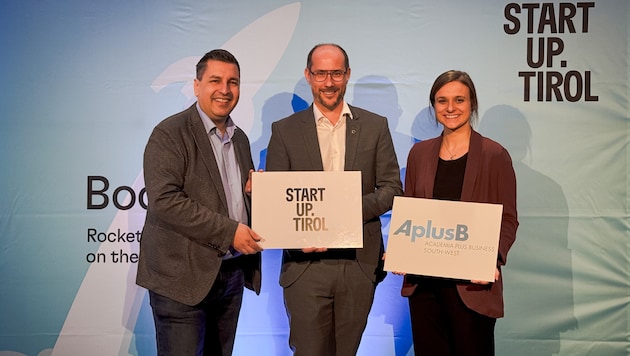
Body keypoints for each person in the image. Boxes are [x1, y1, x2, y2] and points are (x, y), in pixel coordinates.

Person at [265, 43, 403, 356]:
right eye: (321, 73)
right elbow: (276, 201)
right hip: (305, 265)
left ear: (347, 75)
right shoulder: (284, 131)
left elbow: (392, 189)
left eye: (336, 73)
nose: (329, 82)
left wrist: (343, 211)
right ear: (308, 76)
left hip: (358, 264)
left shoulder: (375, 126)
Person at [136, 49, 263, 356]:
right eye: (215, 80)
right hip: (182, 278)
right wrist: (230, 231)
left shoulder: (241, 138)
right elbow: (165, 201)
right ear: (196, 86)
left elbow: (226, 198)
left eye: (233, 82)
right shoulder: (170, 133)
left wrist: (255, 195)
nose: (225, 90)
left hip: (230, 275)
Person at [400, 70, 519, 355]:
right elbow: (411, 210)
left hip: (471, 286)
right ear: (434, 106)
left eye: (459, 100)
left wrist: (492, 257)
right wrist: (402, 249)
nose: (450, 108)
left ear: (472, 103)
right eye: (442, 101)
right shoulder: (419, 154)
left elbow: (508, 219)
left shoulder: (494, 155)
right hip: (425, 286)